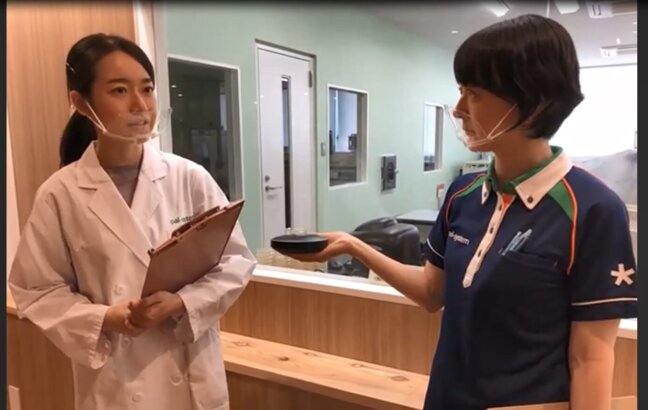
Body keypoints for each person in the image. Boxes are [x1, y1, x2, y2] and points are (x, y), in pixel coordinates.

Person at [285, 14, 637, 410]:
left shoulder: (593, 210)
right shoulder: (463, 194)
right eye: (460, 91)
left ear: (533, 101)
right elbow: (432, 293)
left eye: (474, 94)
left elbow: (590, 359)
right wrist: (354, 245)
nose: (457, 109)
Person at [8, 33, 256, 410]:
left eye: (147, 89)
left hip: (190, 376)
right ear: (80, 102)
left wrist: (182, 302)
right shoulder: (60, 194)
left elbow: (236, 262)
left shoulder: (189, 178)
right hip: (118, 384)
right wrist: (105, 318)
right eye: (120, 91)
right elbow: (36, 289)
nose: (140, 105)